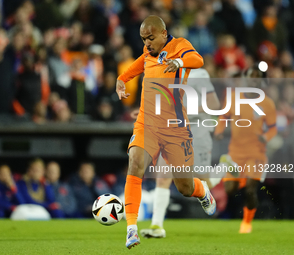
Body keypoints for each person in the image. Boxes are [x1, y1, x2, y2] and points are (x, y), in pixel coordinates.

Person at [116, 15, 216, 249]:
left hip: (175, 128)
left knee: (184, 187)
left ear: (163, 33)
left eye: (150, 38)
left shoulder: (179, 46)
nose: (147, 43)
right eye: (143, 39)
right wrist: (122, 78)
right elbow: (141, 62)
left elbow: (197, 60)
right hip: (147, 123)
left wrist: (180, 63)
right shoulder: (149, 52)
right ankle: (131, 229)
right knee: (135, 164)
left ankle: (202, 190)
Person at [139, 68, 221, 238]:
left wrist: (186, 109)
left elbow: (214, 105)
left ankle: (225, 167)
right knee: (163, 176)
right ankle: (157, 226)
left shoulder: (199, 74)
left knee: (202, 180)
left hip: (196, 130)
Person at [214, 66, 277, 233]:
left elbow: (273, 128)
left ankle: (247, 223)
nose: (253, 80)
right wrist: (219, 131)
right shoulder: (234, 98)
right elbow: (223, 117)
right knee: (230, 190)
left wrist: (266, 137)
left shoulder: (267, 103)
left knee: (250, 190)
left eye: (257, 77)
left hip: (256, 154)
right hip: (235, 153)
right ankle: (240, 177)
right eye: (251, 76)